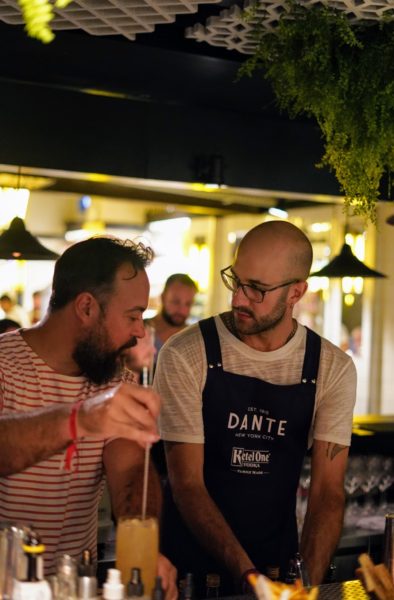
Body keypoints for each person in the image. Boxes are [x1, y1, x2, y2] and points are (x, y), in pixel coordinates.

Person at [154, 221, 356, 594]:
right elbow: (187, 484)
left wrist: (304, 587)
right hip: (189, 577)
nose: (238, 299)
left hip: (278, 563)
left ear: (297, 292)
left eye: (257, 289)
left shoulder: (332, 368)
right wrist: (248, 576)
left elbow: (328, 493)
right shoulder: (186, 353)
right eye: (236, 280)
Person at [0, 236, 177, 599]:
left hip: (74, 588)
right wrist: (81, 419)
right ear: (86, 307)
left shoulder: (116, 381)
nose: (140, 331)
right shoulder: (4, 365)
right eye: (133, 315)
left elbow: (130, 471)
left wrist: (140, 543)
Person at [146, 274, 198, 355]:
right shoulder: (139, 331)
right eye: (175, 302)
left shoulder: (194, 338)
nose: (182, 310)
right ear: (163, 298)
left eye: (188, 304)